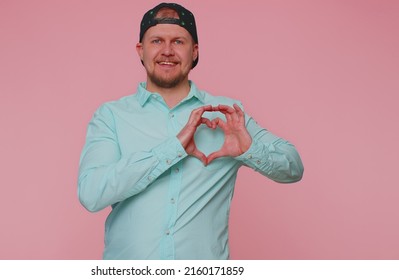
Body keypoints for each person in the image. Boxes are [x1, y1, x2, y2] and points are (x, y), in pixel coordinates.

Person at [78, 2, 304, 260]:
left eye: (178, 42)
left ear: (194, 51)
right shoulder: (111, 116)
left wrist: (249, 149)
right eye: (156, 41)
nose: (167, 51)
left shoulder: (227, 115)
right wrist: (172, 148)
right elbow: (91, 194)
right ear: (140, 50)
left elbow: (293, 167)